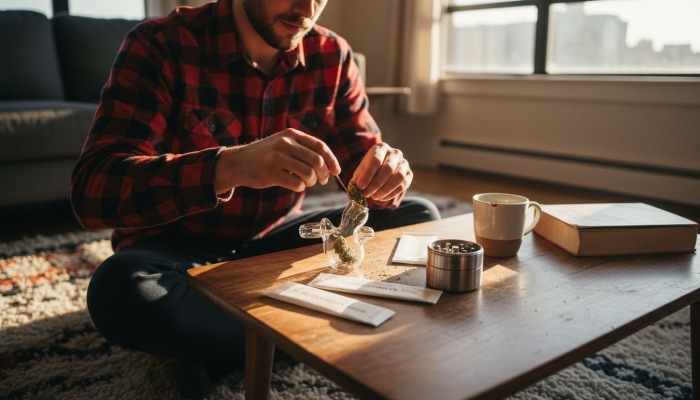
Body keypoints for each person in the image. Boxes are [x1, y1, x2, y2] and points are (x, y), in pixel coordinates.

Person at [71, 0, 440, 398]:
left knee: (418, 215)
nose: (307, 7)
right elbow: (92, 191)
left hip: (269, 246)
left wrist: (387, 171)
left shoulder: (332, 55)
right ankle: (309, 329)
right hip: (173, 251)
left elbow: (362, 164)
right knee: (121, 292)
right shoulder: (160, 44)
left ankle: (215, 344)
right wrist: (229, 166)